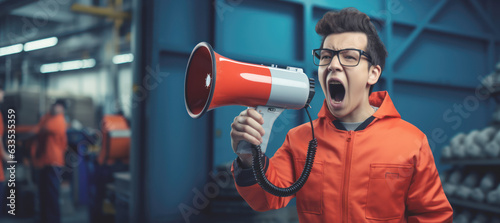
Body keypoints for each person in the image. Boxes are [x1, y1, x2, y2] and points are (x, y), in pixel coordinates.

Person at [230, 8, 453, 222]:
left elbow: (432, 216)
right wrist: (249, 159)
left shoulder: (412, 142)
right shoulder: (300, 139)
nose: (333, 65)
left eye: (348, 57)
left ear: (373, 73)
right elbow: (266, 199)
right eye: (326, 56)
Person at [30, 99, 68, 223]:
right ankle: (44, 219)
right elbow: (39, 127)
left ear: (62, 109)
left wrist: (44, 120)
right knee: (43, 194)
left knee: (52, 195)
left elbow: (44, 127)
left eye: (58, 106)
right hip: (44, 162)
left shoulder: (59, 121)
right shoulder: (49, 117)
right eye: (54, 105)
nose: (54, 108)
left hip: (54, 163)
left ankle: (53, 220)